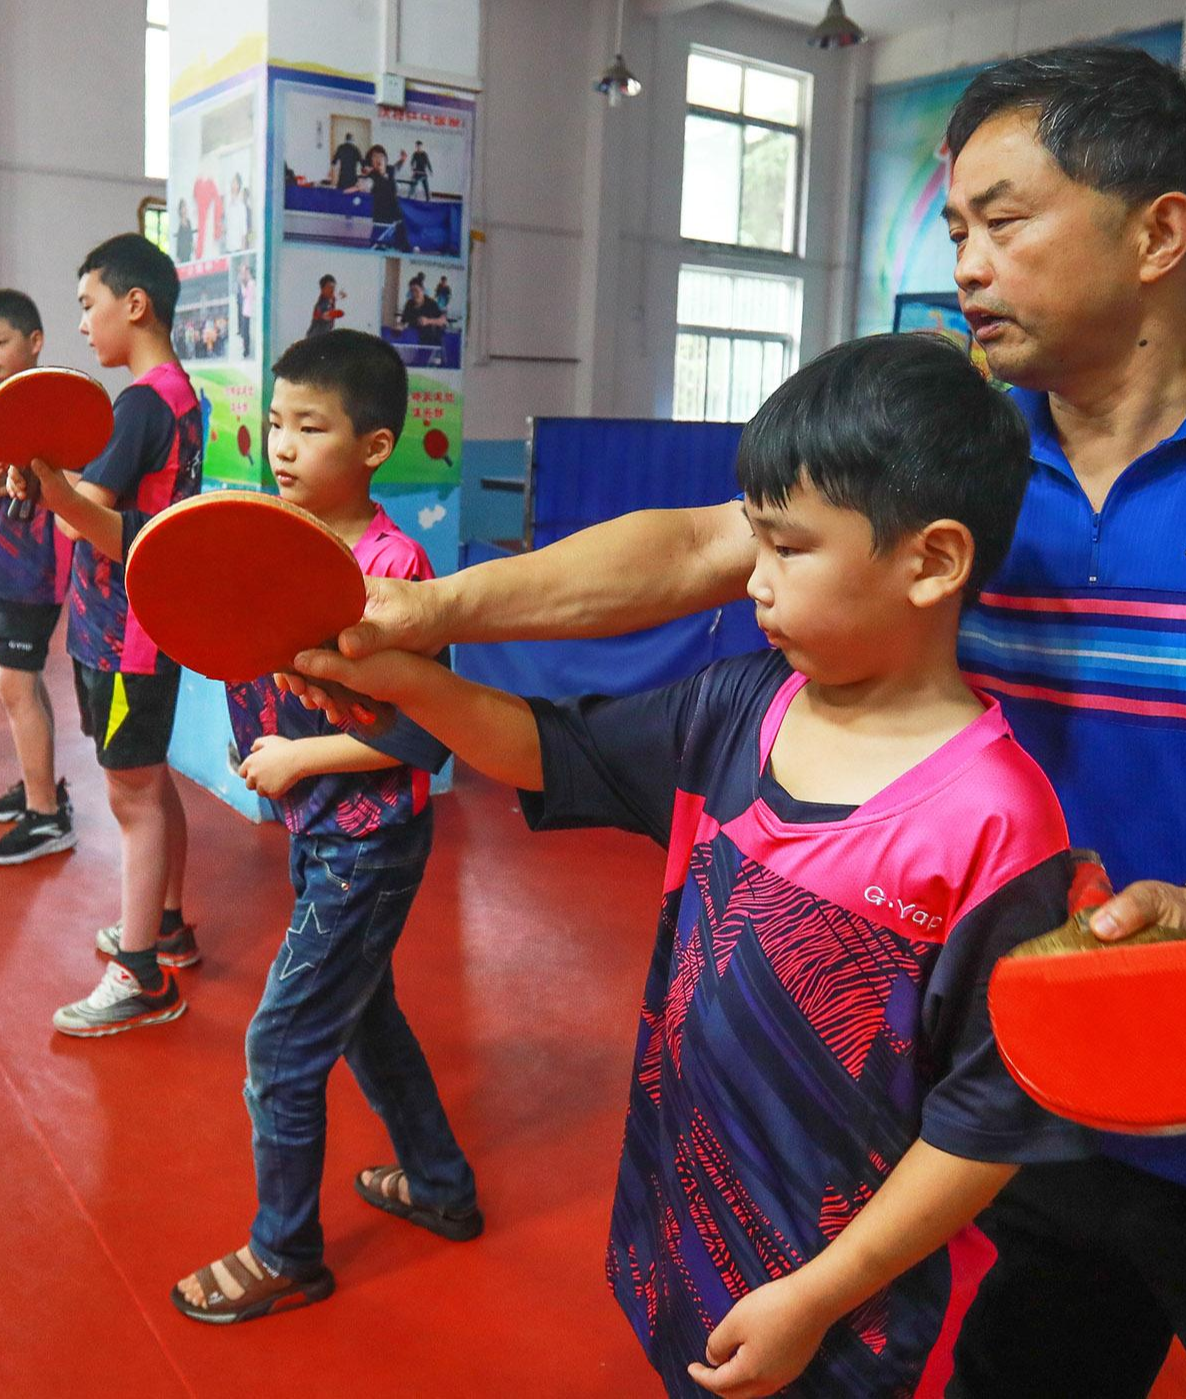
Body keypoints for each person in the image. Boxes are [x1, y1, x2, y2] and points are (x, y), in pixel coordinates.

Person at [286, 46, 1186, 1399]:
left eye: (1004, 220)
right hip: (1033, 1104)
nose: (966, 260)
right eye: (957, 226)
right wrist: (420, 611)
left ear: (1159, 231)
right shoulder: (960, 447)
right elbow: (695, 544)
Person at [298, 333, 1096, 1395]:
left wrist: (817, 1295)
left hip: (848, 1312)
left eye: (787, 548)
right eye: (750, 541)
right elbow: (549, 747)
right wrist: (403, 677)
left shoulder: (996, 824)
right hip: (687, 1228)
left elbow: (982, 1122)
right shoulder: (738, 706)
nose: (750, 580)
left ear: (932, 560)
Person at [170, 330, 478, 1325]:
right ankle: (437, 1181)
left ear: (376, 444)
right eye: (274, 424)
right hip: (319, 833)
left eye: (310, 427)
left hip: (368, 841)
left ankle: (284, 1251)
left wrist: (299, 756)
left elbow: (426, 732)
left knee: (282, 1044)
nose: (284, 446)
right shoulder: (280, 535)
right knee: (363, 1019)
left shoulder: (394, 566)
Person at [12, 234, 203, 1035]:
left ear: (135, 303)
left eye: (89, 304)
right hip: (134, 626)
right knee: (148, 780)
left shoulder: (142, 401)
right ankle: (166, 925)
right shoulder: (173, 396)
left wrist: (50, 488)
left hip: (128, 634)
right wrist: (42, 481)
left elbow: (109, 528)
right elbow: (107, 501)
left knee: (130, 797)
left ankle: (140, 976)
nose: (83, 324)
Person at [0, 288, 76, 866]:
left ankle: (45, 818)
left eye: (0, 341)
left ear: (34, 341)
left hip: (35, 568)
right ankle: (41, 787)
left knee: (16, 684)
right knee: (22, 683)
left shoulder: (51, 404)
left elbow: (67, 476)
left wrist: (14, 474)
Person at [364, 145, 410, 251]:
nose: (378, 159)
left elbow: (396, 167)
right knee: (375, 248)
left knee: (405, 249)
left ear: (385, 158)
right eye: (374, 157)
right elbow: (368, 183)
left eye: (381, 156)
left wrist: (402, 160)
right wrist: (363, 184)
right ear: (371, 162)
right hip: (381, 219)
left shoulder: (390, 170)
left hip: (396, 217)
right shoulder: (372, 176)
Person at [225, 172, 251, 253]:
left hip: (238, 248)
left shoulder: (242, 208)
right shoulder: (227, 204)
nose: (232, 184)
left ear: (238, 186)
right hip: (228, 247)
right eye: (232, 182)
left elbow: (245, 230)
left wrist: (247, 247)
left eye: (234, 182)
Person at [237, 260, 256, 358]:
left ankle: (247, 351)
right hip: (245, 310)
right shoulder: (246, 283)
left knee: (246, 332)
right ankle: (245, 350)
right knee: (244, 332)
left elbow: (248, 295)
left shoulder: (251, 283)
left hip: (249, 310)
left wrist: (244, 285)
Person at [175, 198, 195, 263]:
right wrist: (178, 255)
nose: (185, 209)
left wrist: (193, 246)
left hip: (188, 250)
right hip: (182, 253)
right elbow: (179, 241)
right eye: (183, 207)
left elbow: (190, 237)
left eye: (185, 206)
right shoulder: (179, 225)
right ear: (180, 210)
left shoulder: (188, 222)